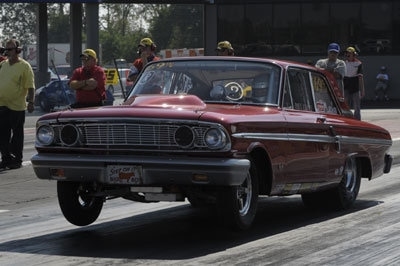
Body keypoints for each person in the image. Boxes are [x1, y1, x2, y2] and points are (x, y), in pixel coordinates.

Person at [0, 38, 35, 170]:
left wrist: (31, 102)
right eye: (6, 49)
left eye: (10, 49)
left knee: (17, 134)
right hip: (2, 104)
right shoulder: (3, 65)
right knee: (2, 134)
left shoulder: (24, 66)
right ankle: (5, 159)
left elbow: (31, 86)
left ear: (17, 50)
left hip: (17, 106)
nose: (7, 51)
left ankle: (17, 159)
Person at [343, 46, 365, 120]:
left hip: (355, 84)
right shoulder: (343, 63)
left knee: (357, 105)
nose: (348, 55)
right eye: (347, 54)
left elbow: (360, 77)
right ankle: (346, 119)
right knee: (346, 104)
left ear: (354, 54)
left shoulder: (359, 63)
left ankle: (357, 120)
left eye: (350, 53)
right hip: (346, 84)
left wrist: (362, 90)